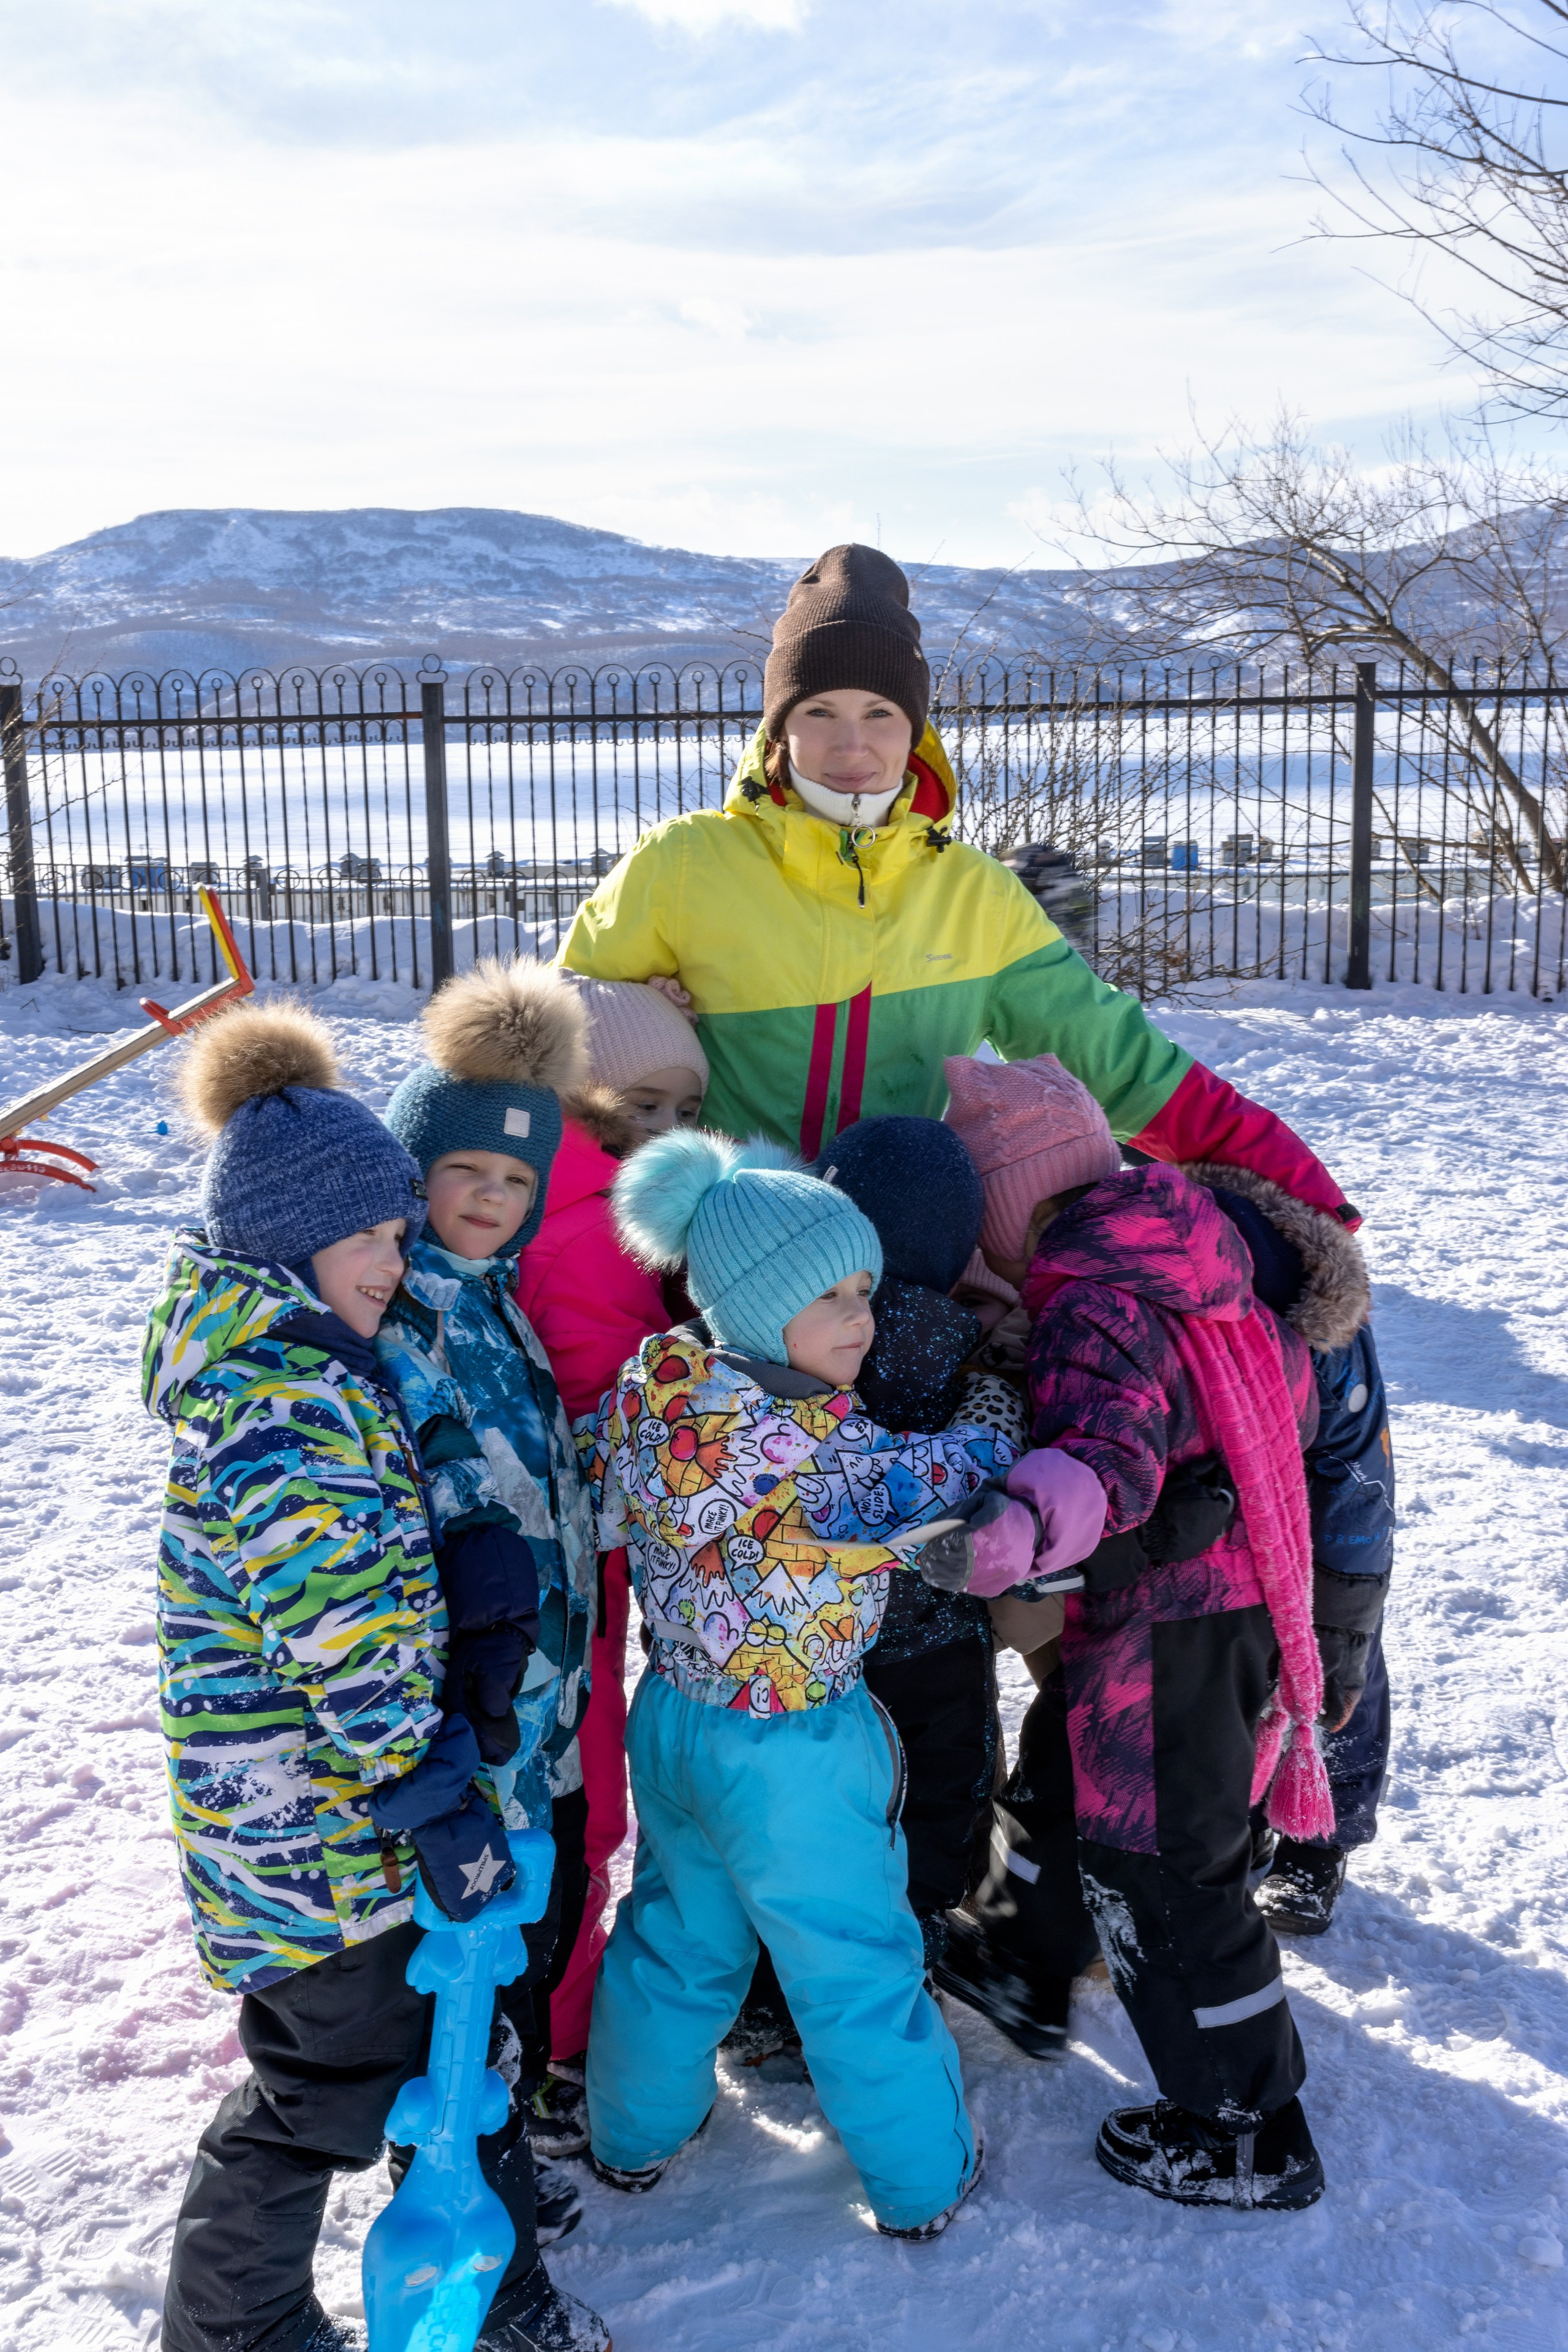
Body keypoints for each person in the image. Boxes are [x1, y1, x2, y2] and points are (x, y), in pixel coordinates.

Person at [145, 1000, 606, 2352]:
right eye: (376, 1236)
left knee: (347, 2082)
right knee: (311, 2102)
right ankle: (236, 2332)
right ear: (295, 1237)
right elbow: (346, 1646)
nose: (395, 1258)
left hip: (317, 1837)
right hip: (310, 1848)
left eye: (401, 1234)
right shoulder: (288, 1403)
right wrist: (437, 1796)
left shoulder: (305, 1371)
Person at [579, 1131, 1102, 2239]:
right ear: (763, 1308)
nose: (863, 1318)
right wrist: (994, 1427)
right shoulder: (822, 1453)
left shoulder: (658, 1382)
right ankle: (920, 2180)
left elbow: (609, 1508)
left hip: (675, 1721)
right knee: (855, 1960)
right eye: (835, 1297)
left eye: (865, 1289)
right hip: (796, 1748)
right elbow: (941, 1479)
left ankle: (630, 2134)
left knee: (680, 1934)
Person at [558, 542, 1357, 1234]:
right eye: (819, 710)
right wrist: (636, 1016)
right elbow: (559, 1057)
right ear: (779, 727)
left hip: (901, 1270)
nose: (851, 744)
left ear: (914, 731)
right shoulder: (684, 864)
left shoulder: (975, 894)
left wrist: (1305, 1197)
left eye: (879, 713)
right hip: (703, 1254)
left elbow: (1119, 1062)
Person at [942, 1053, 1332, 2214]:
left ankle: (1247, 2132)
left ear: (1011, 1210)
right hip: (1242, 1600)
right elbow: (1284, 1401)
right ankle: (1033, 1960)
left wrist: (1017, 1526)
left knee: (1163, 1879)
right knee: (1108, 1805)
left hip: (1170, 1629)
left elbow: (1103, 1465)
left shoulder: (1091, 1306)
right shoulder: (1197, 1266)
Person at [377, 959, 603, 2245]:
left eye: (517, 1181)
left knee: (518, 1940)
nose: (492, 1199)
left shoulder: (504, 1307)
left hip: (543, 1701)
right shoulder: (402, 1315)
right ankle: (454, 2176)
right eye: (468, 1172)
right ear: (417, 1172)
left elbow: (546, 1491)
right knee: (459, 1963)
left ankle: (497, 2144)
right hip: (474, 1711)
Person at [511, 976, 710, 2149]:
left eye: (685, 1107)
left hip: (578, 1547)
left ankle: (556, 2018)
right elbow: (605, 1399)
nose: (668, 1133)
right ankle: (563, 2042)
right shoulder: (596, 1222)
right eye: (641, 1102)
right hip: (576, 1554)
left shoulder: (568, 1190)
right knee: (582, 1797)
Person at [1176, 1160, 1395, 1934]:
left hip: (1310, 1508)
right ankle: (1246, 1806)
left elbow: (1357, 1510)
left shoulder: (1331, 1348)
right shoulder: (1163, 1312)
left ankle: (1321, 1835)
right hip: (1220, 1503)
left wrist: (1337, 1645)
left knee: (1333, 1654)